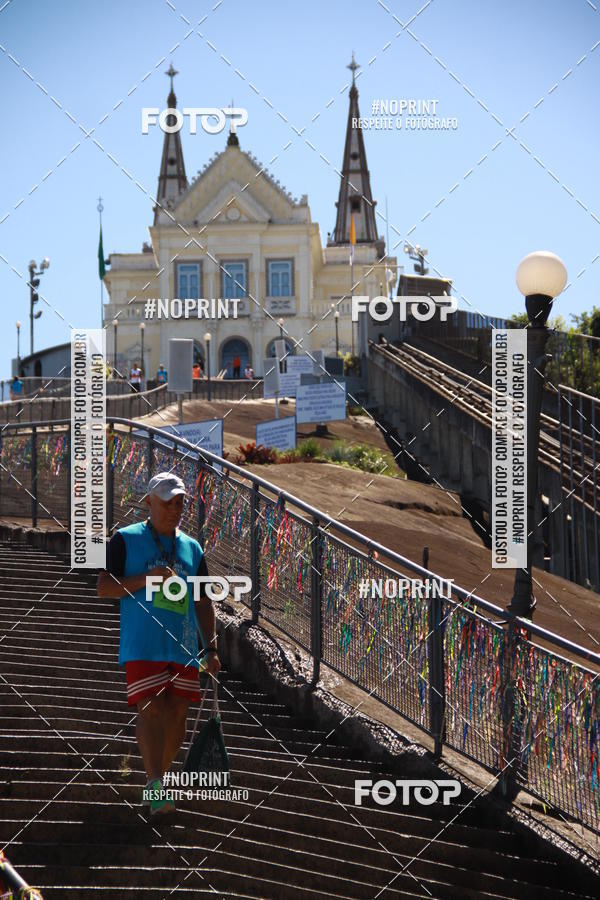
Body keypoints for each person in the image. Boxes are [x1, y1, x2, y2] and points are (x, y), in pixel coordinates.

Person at [97, 472, 221, 817]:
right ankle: (155, 787)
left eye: (179, 502)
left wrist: (210, 648)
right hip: (143, 643)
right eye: (167, 501)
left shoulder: (192, 548)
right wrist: (144, 580)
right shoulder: (125, 539)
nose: (174, 508)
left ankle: (158, 785)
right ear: (149, 501)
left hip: (181, 646)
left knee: (178, 714)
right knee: (151, 709)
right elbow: (103, 587)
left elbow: (202, 601)